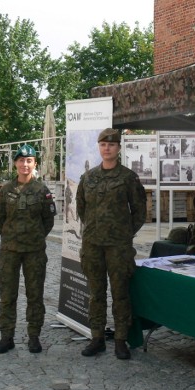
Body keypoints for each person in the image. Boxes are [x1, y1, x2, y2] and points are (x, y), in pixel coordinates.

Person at [76, 128, 147, 360]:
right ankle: (96, 337)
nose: (107, 148)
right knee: (96, 293)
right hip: (93, 244)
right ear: (99, 147)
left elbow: (139, 211)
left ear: (118, 148)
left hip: (118, 246)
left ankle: (120, 339)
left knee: (120, 294)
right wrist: (96, 229)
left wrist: (124, 234)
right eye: (103, 145)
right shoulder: (88, 178)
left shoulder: (128, 178)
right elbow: (81, 208)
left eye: (112, 145)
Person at [0, 144, 56, 354]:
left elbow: (48, 221)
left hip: (34, 251)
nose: (24, 165)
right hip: (10, 250)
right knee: (7, 294)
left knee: (35, 294)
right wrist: (11, 236)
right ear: (15, 164)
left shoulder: (42, 190)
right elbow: (0, 219)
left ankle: (34, 335)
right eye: (21, 161)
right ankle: (6, 336)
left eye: (29, 161)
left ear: (34, 164)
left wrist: (35, 236)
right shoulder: (6, 190)